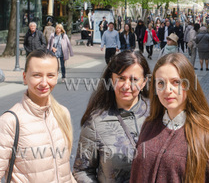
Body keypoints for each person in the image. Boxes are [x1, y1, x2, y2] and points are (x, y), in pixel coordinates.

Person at [130, 53, 209, 182]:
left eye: (176, 82)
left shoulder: (208, 135)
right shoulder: (149, 125)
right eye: (161, 83)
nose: (167, 90)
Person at [73, 51, 150, 182]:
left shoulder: (157, 114)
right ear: (111, 80)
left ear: (144, 82)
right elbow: (82, 170)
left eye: (134, 79)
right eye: (121, 78)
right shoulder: (96, 121)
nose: (126, 86)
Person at [0, 49, 75, 182]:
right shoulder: (10, 121)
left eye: (50, 75)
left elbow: (65, 171)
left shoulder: (62, 113)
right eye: (37, 75)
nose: (44, 82)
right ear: (24, 77)